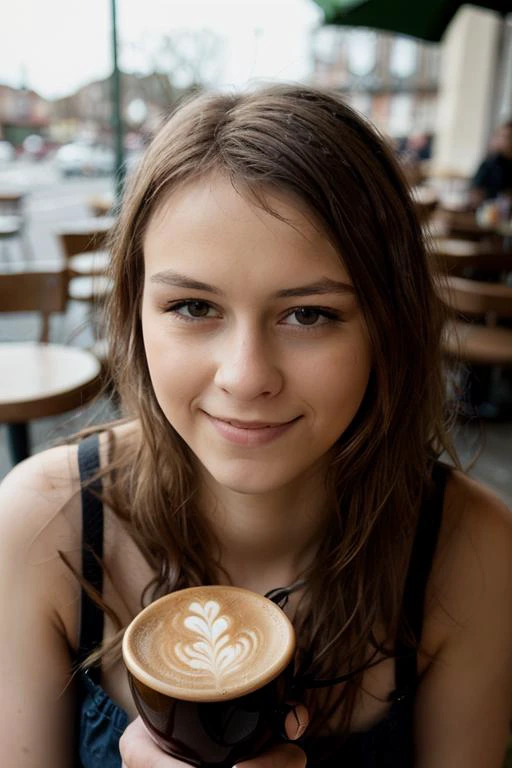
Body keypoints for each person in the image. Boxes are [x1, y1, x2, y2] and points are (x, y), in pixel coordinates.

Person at [1, 84, 512, 768]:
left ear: (390, 327)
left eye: (308, 315)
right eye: (191, 307)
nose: (245, 376)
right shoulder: (41, 526)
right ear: (134, 313)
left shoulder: (473, 552)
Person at [470, 119, 512, 207]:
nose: (505, 141)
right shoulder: (489, 163)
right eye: (502, 137)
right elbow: (475, 192)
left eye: (508, 137)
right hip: (488, 211)